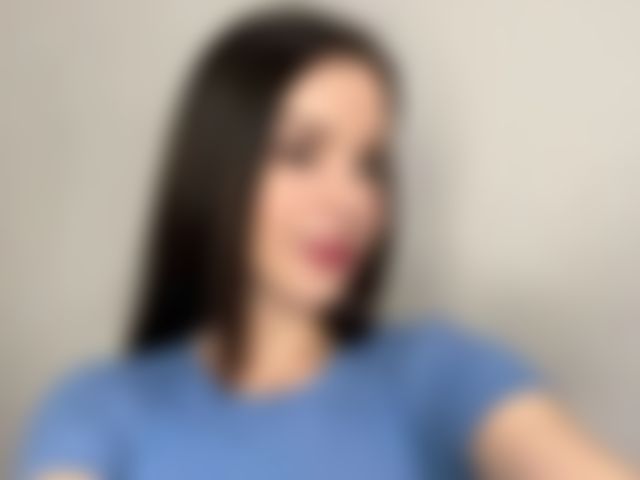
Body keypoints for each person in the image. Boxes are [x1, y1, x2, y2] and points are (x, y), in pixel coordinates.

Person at [19, 9, 636, 480]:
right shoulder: (101, 409)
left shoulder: (439, 373)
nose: (350, 200)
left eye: (370, 165)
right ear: (219, 168)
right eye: (301, 153)